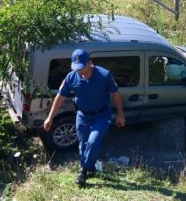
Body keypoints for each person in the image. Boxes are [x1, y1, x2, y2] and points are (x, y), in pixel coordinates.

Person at [43, 48, 125, 186]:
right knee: (83, 145)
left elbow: (115, 94)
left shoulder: (104, 75)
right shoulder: (71, 77)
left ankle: (83, 171)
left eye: (81, 67)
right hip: (82, 116)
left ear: (89, 62)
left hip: (101, 116)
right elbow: (60, 96)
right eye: (76, 67)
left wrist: (121, 115)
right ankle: (90, 168)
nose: (79, 70)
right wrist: (50, 117)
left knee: (93, 143)